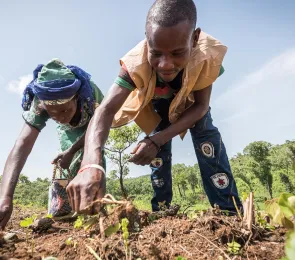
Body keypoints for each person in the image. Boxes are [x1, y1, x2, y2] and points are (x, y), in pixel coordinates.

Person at [67, 0, 242, 214]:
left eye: (177, 53)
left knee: (206, 138)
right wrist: (90, 164)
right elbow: (104, 111)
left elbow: (201, 107)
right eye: (156, 53)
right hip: (156, 105)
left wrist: (155, 140)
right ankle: (161, 211)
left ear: (195, 38)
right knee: (157, 154)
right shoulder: (134, 64)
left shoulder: (206, 58)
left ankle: (228, 211)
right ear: (147, 40)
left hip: (191, 106)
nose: (165, 64)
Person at [0, 59, 104, 232]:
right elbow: (22, 143)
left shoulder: (91, 95)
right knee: (70, 166)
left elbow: (100, 129)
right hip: (70, 131)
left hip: (93, 126)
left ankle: (95, 212)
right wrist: (3, 197)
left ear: (76, 99)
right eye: (53, 114)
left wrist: (73, 150)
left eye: (65, 110)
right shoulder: (40, 102)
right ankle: (68, 215)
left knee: (92, 164)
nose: (60, 117)